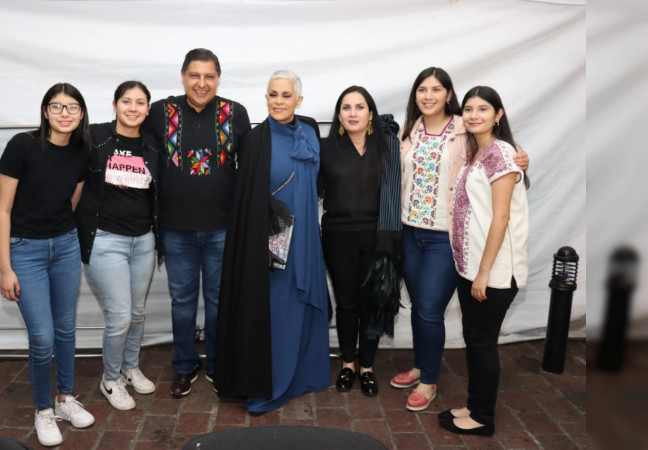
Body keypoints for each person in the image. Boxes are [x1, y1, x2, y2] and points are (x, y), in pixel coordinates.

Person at [390, 68, 529, 412]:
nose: (428, 95)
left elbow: (500, 154)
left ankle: (429, 380)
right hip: (410, 231)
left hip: (444, 236)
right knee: (420, 306)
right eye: (421, 89)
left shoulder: (465, 127)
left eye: (436, 89)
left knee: (430, 309)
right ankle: (421, 365)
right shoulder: (409, 131)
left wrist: (522, 159)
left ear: (449, 94)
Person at [216, 70, 331, 413]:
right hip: (274, 238)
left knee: (303, 302)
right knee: (277, 309)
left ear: (299, 100)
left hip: (307, 235)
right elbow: (245, 198)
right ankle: (275, 380)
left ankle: (303, 375)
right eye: (273, 94)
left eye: (285, 95)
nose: (278, 101)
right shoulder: (254, 140)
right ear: (265, 98)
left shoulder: (310, 132)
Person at [143, 48, 251, 397]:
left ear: (217, 78)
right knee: (183, 302)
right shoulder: (160, 112)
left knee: (220, 301)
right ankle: (185, 366)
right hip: (177, 230)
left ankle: (219, 365)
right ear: (183, 76)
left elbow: (250, 168)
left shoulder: (236, 114)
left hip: (223, 228)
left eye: (209, 76)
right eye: (195, 75)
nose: (201, 83)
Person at [0, 83, 95, 447]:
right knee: (42, 337)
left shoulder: (82, 151)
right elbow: (3, 209)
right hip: (25, 251)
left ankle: (65, 399)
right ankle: (42, 410)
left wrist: (58, 231)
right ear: (45, 110)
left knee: (66, 329)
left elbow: (73, 197)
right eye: (57, 106)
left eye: (72, 107)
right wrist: (6, 267)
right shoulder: (22, 146)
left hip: (66, 247)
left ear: (82, 113)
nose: (65, 113)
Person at [439, 86, 529, 436]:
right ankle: (475, 405)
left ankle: (482, 419)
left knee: (482, 342)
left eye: (483, 109)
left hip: (491, 272)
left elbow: (501, 217)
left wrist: (484, 273)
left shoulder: (501, 153)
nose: (474, 115)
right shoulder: (480, 153)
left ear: (498, 114)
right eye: (469, 109)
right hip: (471, 267)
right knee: (474, 339)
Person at [75, 81, 160, 411]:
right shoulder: (95, 137)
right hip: (104, 241)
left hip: (143, 240)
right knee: (120, 315)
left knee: (137, 313)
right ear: (114, 105)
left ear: (148, 109)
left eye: (140, 103)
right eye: (127, 101)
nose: (133, 108)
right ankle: (110, 378)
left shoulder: (152, 144)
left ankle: (129, 367)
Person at [318, 86, 403, 397]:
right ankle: (348, 363)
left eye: (359, 106)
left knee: (374, 304)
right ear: (339, 115)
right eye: (346, 107)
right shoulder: (325, 149)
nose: (352, 112)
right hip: (338, 238)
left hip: (380, 238)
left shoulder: (389, 146)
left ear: (370, 114)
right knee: (348, 304)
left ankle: (367, 365)